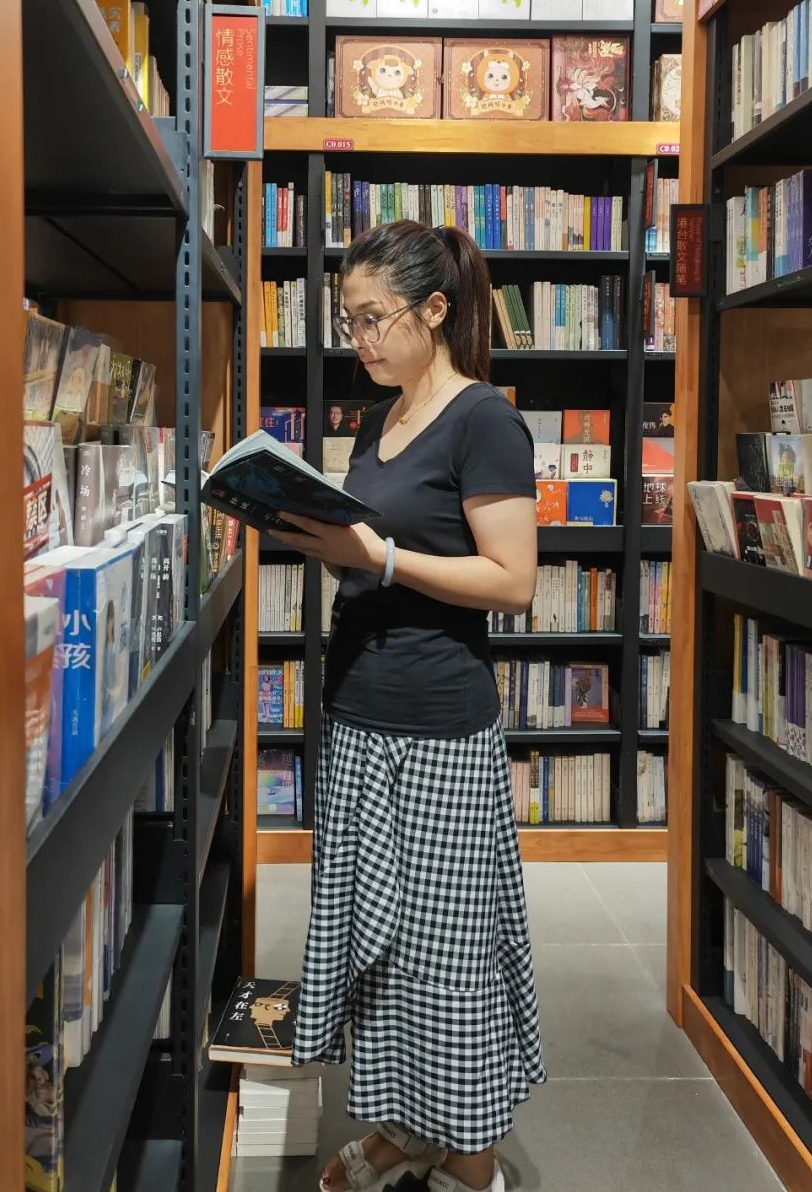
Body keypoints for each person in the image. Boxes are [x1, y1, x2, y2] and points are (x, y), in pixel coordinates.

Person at [273, 220, 545, 1192]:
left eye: (373, 318)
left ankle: (470, 1163)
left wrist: (379, 556)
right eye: (348, 321)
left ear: (434, 309)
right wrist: (317, 536)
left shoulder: (485, 421)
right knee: (378, 951)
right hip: (359, 717)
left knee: (447, 960)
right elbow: (368, 554)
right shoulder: (376, 419)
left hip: (438, 731)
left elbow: (513, 580)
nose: (359, 340)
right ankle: (406, 1126)